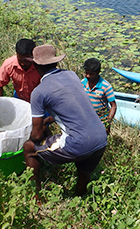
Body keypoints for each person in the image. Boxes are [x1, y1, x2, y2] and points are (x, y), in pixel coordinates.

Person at [23, 44, 108, 196]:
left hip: (78, 143)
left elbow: (36, 136)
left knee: (29, 148)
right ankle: (80, 195)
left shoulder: (39, 92)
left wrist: (33, 133)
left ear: (35, 65)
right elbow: (70, 108)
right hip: (101, 138)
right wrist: (47, 121)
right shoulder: (72, 75)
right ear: (56, 62)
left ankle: (36, 197)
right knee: (84, 167)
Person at [0, 38, 40, 102]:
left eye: (26, 60)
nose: (23, 64)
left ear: (33, 55)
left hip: (39, 99)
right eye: (20, 60)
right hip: (19, 97)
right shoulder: (9, 64)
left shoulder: (40, 65)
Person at [81, 58, 117, 134]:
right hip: (86, 120)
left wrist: (108, 122)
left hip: (101, 121)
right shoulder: (82, 83)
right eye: (86, 73)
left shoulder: (105, 86)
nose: (87, 76)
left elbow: (113, 106)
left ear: (97, 73)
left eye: (91, 74)